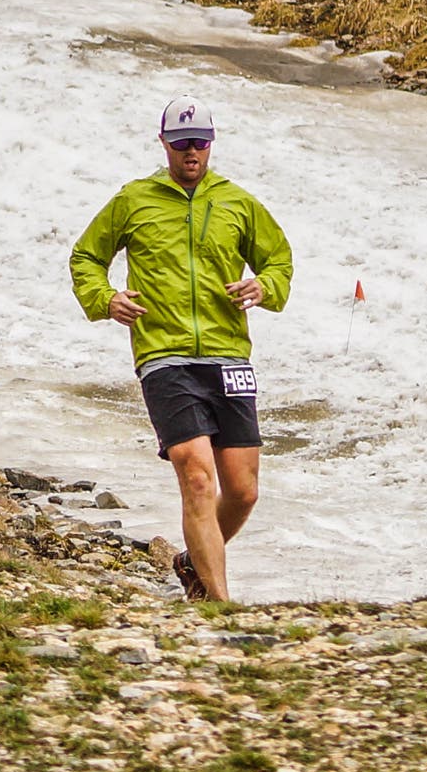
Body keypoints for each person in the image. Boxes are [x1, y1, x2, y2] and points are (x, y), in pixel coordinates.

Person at [68, 99, 294, 603]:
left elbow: (278, 260)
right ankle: (218, 605)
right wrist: (105, 299)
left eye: (200, 142)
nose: (191, 152)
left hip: (228, 355)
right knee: (196, 476)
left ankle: (192, 563)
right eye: (181, 143)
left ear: (212, 142)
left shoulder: (237, 202)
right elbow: (86, 255)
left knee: (242, 490)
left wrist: (264, 287)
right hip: (164, 355)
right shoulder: (134, 200)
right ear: (164, 142)